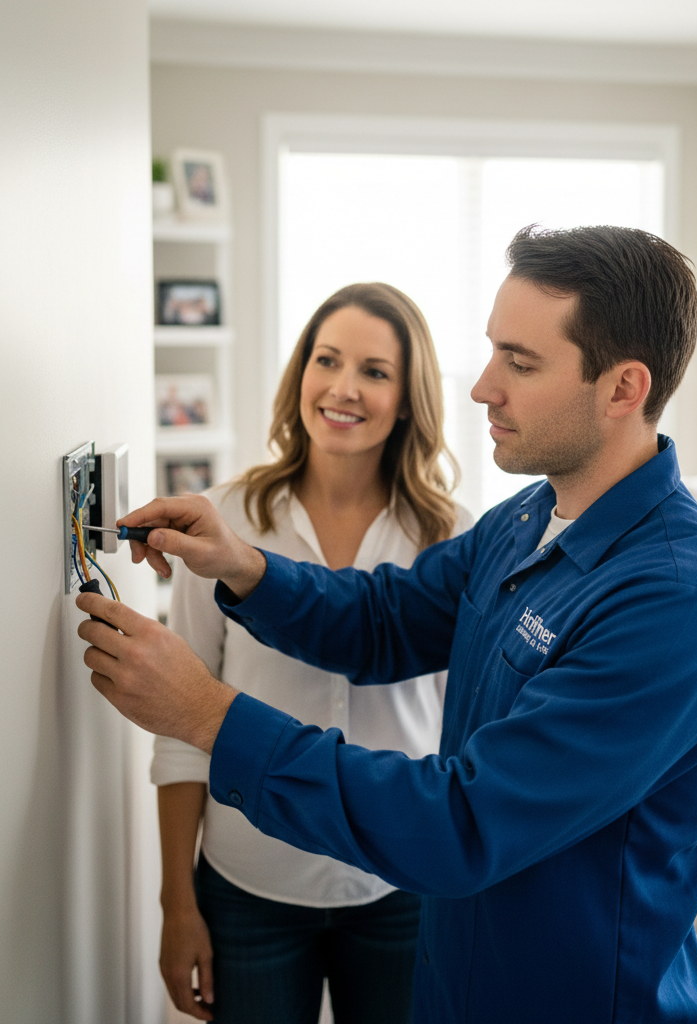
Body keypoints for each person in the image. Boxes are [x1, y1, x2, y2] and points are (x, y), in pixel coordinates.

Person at [79, 225, 697, 1024]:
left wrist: (207, 713)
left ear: (622, 389)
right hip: (455, 980)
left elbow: (462, 824)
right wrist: (245, 565)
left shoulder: (678, 607)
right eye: (492, 352)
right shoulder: (531, 516)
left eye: (520, 361)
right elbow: (385, 619)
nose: (482, 387)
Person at [153, 282, 471, 1023]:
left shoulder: (454, 537)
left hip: (402, 889)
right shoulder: (224, 521)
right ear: (299, 372)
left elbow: (468, 732)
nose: (343, 388)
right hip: (248, 883)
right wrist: (177, 904)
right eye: (326, 360)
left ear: (408, 398)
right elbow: (180, 729)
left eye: (375, 371)